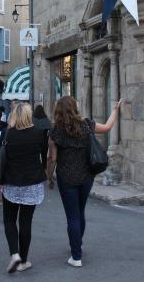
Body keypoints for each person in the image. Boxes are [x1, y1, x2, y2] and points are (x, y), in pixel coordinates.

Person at [47, 96, 122, 267]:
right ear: (75, 108)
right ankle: (77, 245)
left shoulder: (56, 131)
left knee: (72, 216)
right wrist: (115, 110)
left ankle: (76, 255)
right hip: (86, 176)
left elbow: (52, 159)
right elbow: (109, 127)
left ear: (58, 111)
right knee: (80, 213)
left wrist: (49, 176)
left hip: (66, 178)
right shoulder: (87, 124)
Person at [1, 103, 48, 273]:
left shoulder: (7, 133)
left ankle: (14, 254)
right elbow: (43, 155)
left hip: (11, 181)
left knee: (9, 220)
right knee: (26, 222)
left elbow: (2, 155)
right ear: (29, 116)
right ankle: (24, 260)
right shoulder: (39, 133)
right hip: (32, 182)